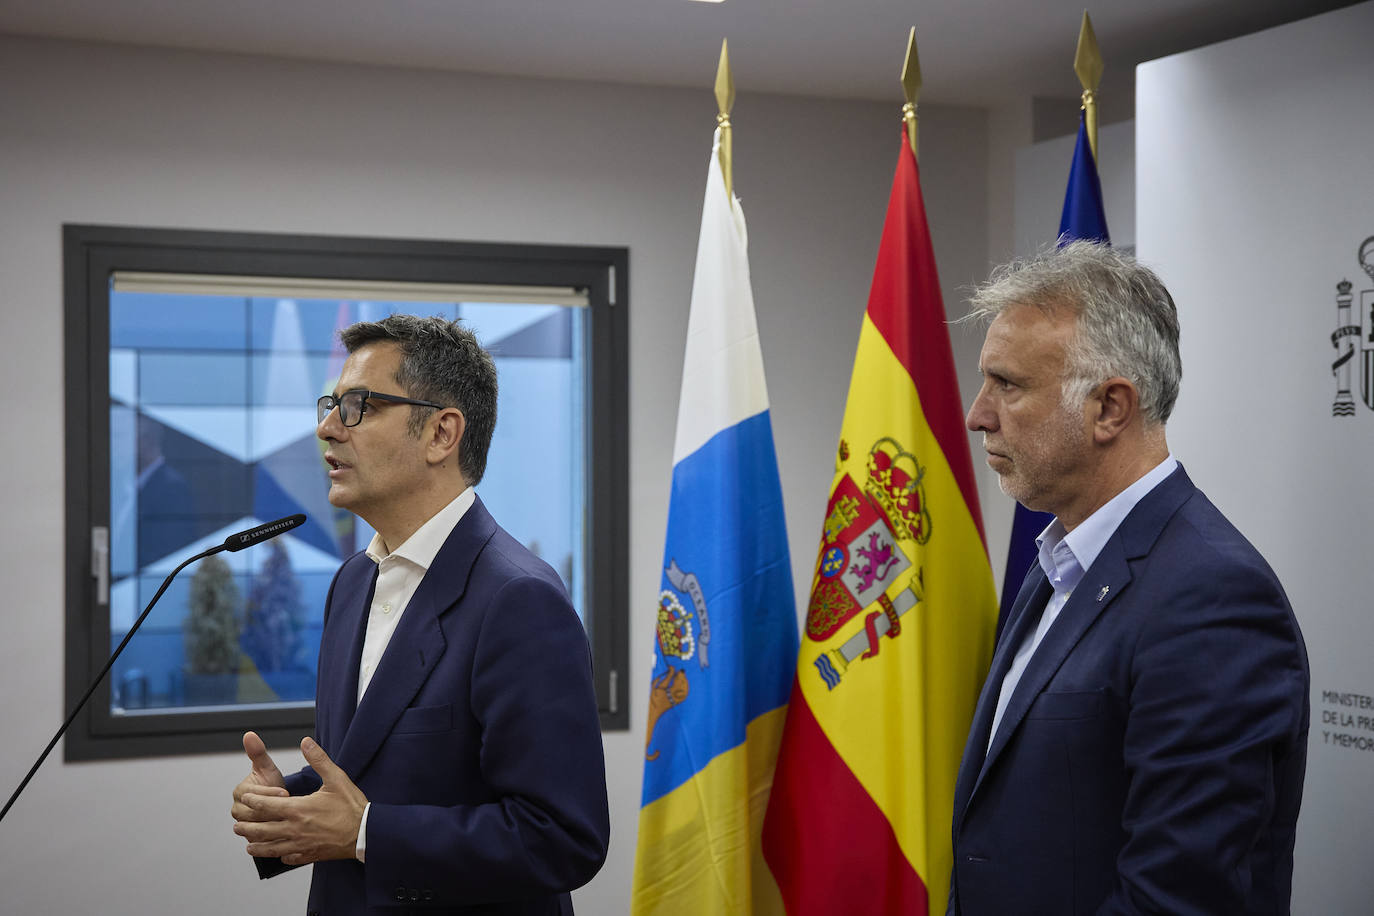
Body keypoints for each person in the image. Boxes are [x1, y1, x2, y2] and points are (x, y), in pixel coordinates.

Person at [948, 242, 1309, 915]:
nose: (978, 414)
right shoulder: (1061, 559)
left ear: (1111, 408)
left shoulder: (1213, 601)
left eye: (1009, 384)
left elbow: (1177, 898)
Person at [230, 315, 609, 915]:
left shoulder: (519, 599)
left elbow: (562, 838)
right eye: (330, 404)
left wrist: (364, 833)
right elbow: (376, 774)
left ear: (441, 433)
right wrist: (292, 807)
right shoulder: (352, 582)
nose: (327, 427)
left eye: (359, 406)